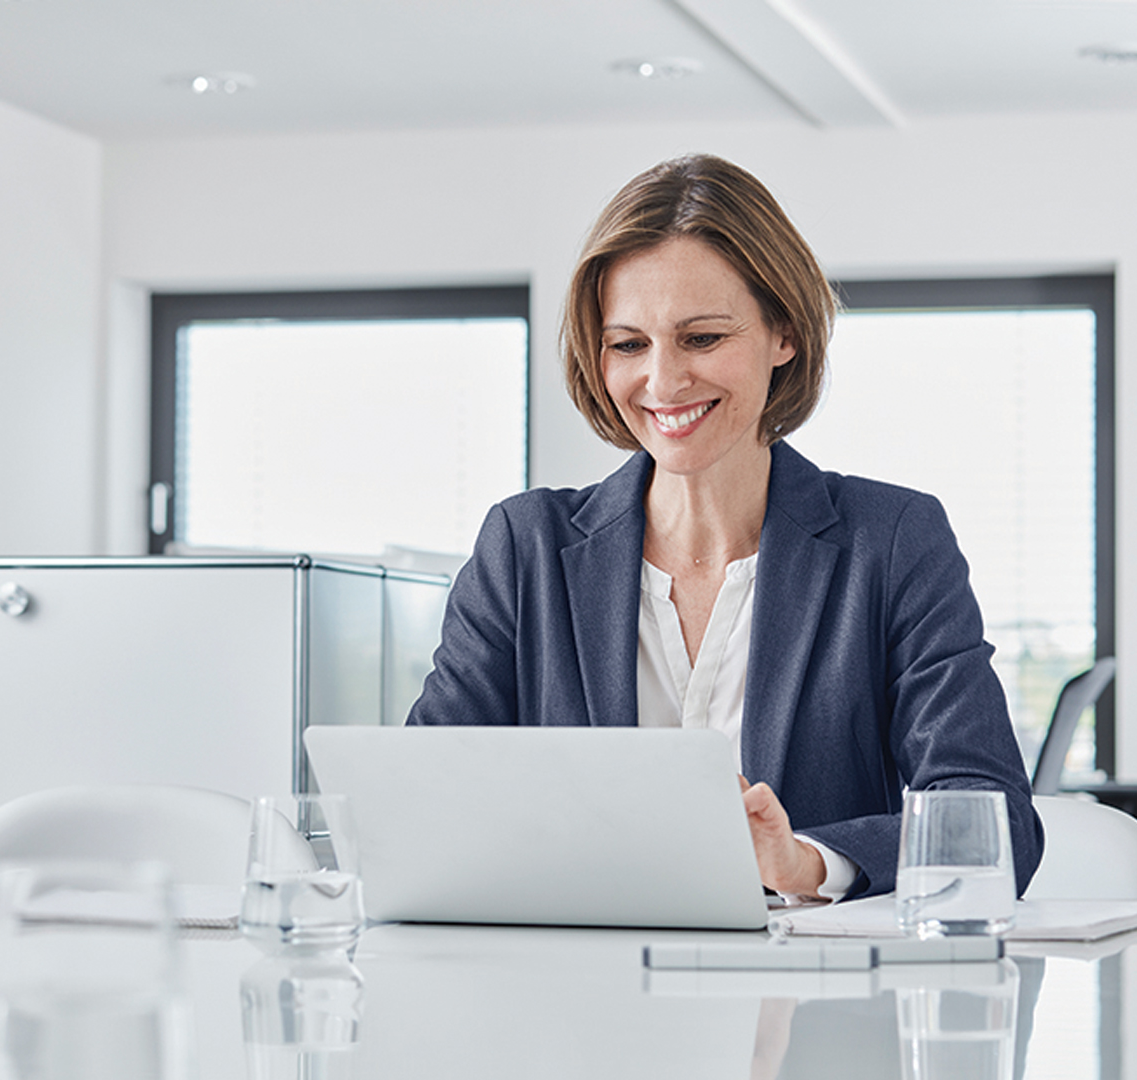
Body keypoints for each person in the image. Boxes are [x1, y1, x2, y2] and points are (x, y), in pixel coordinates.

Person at [407, 153, 1043, 901]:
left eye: (703, 338)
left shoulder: (893, 540)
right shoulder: (526, 549)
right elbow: (422, 802)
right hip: (581, 993)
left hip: (809, 1002)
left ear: (784, 334)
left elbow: (994, 821)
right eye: (629, 344)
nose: (664, 381)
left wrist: (806, 863)